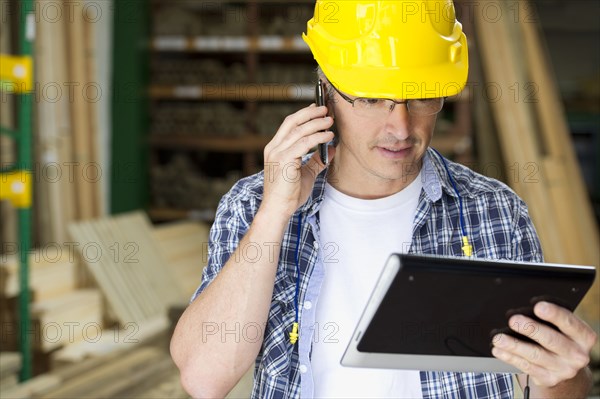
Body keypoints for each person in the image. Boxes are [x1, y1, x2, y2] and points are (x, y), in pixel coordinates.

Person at [170, 1, 597, 398]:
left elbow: (549, 384)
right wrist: (274, 215)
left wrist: (563, 374)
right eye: (372, 98)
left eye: (421, 96)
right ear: (325, 90)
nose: (400, 126)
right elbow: (205, 378)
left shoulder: (494, 211)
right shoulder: (253, 205)